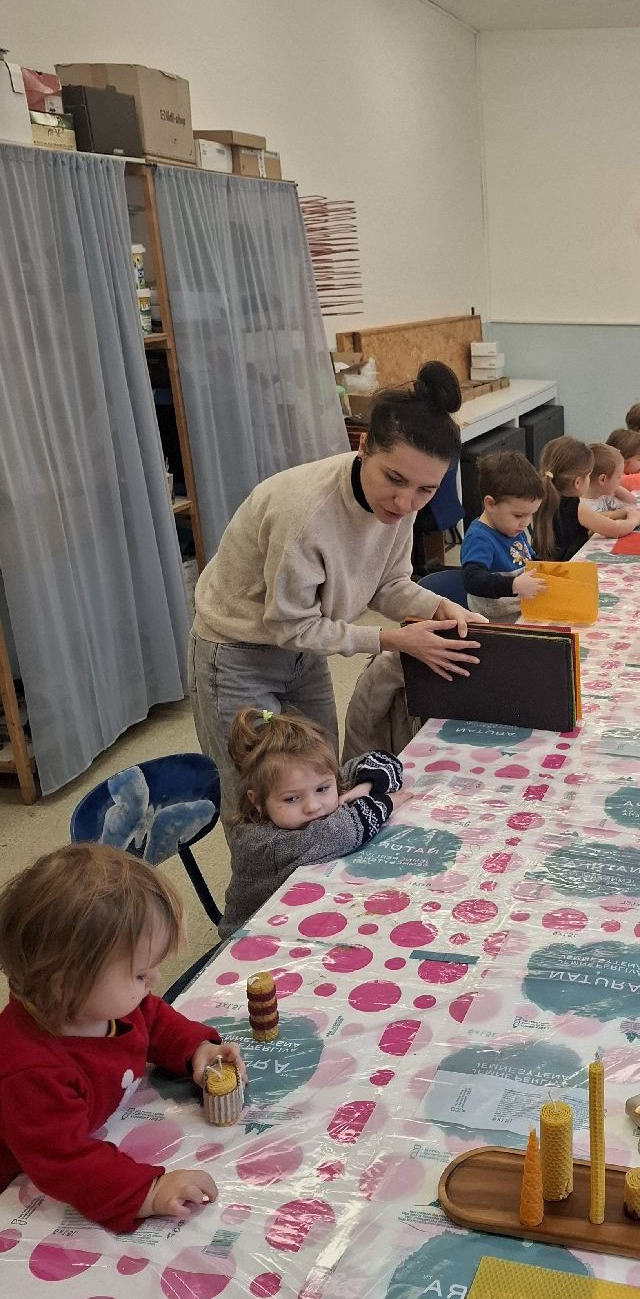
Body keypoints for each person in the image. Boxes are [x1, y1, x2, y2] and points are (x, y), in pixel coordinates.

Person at [189, 361, 483, 819]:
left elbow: (387, 584)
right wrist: (392, 639)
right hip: (238, 652)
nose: (405, 502)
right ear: (362, 446)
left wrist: (439, 606)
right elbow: (289, 626)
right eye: (394, 479)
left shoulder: (401, 505)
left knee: (322, 783)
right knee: (259, 803)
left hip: (304, 650)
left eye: (426, 490)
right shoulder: (304, 513)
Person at [0, 845, 247, 1232]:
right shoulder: (29, 1072)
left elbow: (152, 1018)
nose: (155, 981)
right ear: (67, 986)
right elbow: (66, 1163)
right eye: (140, 974)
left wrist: (196, 1048)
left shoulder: (98, 1005)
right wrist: (148, 1191)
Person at [220, 709, 403, 938]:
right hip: (253, 937)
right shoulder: (260, 842)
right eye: (291, 799)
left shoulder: (317, 782)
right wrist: (385, 802)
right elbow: (341, 833)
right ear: (257, 801)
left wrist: (365, 786)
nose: (313, 806)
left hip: (307, 914)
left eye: (322, 789)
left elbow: (385, 760)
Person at [459, 451, 547, 623]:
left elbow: (529, 559)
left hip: (523, 612)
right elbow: (471, 579)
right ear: (490, 504)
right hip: (497, 623)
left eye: (531, 515)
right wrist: (513, 585)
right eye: (518, 515)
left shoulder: (512, 528)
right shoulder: (479, 538)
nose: (525, 523)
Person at [532, 437, 594, 561]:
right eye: (589, 476)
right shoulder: (575, 506)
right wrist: (633, 518)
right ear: (577, 482)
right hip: (572, 565)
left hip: (547, 563)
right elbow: (615, 529)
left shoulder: (542, 498)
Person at [580, 443, 640, 537]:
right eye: (618, 477)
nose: (621, 480)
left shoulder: (603, 497)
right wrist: (633, 519)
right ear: (602, 479)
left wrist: (614, 485)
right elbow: (613, 529)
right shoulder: (582, 505)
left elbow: (631, 501)